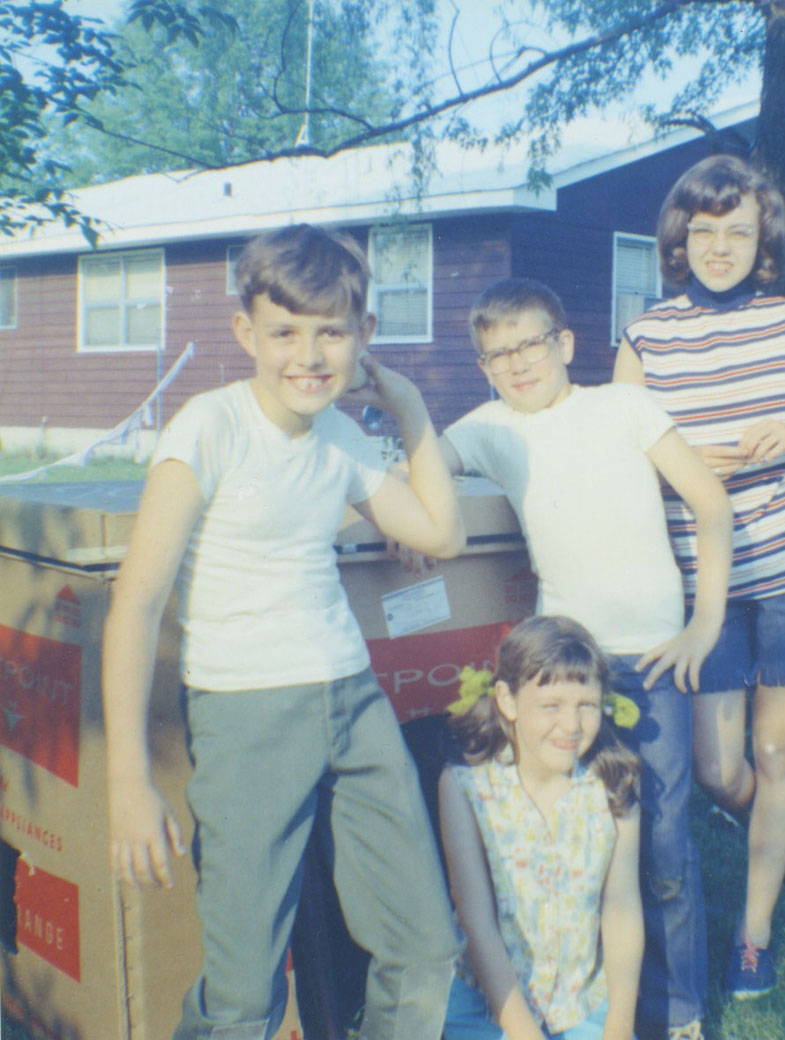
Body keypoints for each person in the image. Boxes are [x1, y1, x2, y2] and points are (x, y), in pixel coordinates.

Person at [102, 223, 465, 1040]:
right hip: (246, 715)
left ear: (363, 336)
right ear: (246, 335)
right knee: (244, 999)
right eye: (285, 333)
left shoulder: (341, 437)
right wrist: (129, 778)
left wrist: (407, 406)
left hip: (352, 700)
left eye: (332, 331)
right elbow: (137, 603)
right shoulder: (210, 427)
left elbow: (443, 533)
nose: (309, 355)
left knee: (426, 948)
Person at [439, 277, 733, 1040]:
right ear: (484, 366)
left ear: (565, 343)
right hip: (566, 677)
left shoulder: (623, 407)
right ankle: (567, 995)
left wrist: (705, 623)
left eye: (531, 344)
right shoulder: (485, 428)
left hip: (655, 659)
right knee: (575, 842)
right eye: (497, 354)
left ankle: (678, 1015)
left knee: (662, 843)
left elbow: (710, 502)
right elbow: (422, 476)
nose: (517, 364)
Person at [614, 153, 785, 1000]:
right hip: (695, 583)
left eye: (738, 232)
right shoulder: (645, 338)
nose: (721, 247)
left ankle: (752, 937)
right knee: (718, 767)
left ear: (763, 239)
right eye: (704, 232)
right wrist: (698, 462)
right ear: (681, 239)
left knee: (778, 750)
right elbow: (624, 459)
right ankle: (775, 839)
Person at [439, 615, 643, 1040]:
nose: (571, 725)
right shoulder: (466, 789)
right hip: (488, 1008)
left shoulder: (614, 785)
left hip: (580, 1004)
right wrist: (524, 1033)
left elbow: (622, 906)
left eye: (585, 705)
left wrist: (619, 1027)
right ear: (507, 701)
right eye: (551, 706)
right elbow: (476, 919)